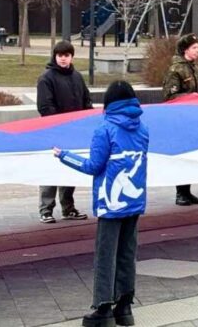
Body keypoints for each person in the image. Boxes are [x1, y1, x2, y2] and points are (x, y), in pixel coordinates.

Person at [53, 80, 148, 327]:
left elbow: (92, 166)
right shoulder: (142, 128)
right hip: (134, 201)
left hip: (110, 203)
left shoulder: (104, 129)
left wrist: (63, 156)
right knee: (128, 253)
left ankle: (103, 308)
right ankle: (125, 307)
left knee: (106, 255)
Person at [37, 40, 92, 224]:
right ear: (55, 56)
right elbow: (45, 106)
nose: (63, 59)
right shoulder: (46, 78)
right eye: (60, 55)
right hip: (54, 131)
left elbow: (86, 101)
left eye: (66, 55)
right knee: (51, 171)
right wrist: (60, 125)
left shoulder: (77, 76)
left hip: (75, 132)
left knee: (72, 168)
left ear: (71, 57)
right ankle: (46, 209)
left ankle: (68, 207)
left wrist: (87, 120)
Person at [162, 34, 198, 205]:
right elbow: (169, 96)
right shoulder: (176, 70)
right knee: (183, 155)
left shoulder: (195, 69)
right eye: (195, 48)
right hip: (180, 119)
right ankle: (180, 193)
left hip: (194, 118)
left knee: (194, 155)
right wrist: (191, 97)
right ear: (185, 50)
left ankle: (187, 191)